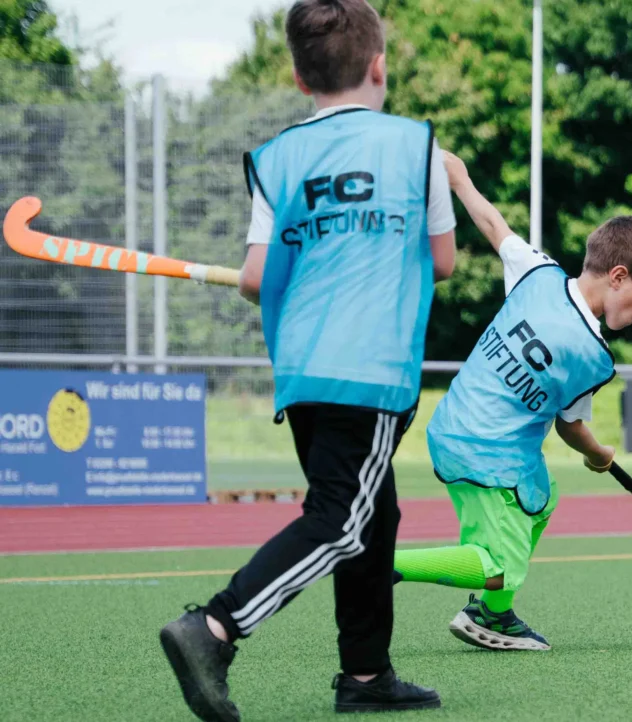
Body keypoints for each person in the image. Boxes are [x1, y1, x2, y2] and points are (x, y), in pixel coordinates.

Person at [158, 1, 455, 718]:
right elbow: (443, 262)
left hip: (303, 369)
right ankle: (215, 626)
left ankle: (365, 677)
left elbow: (258, 277)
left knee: (373, 513)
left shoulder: (277, 157)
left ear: (298, 78)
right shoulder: (416, 148)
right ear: (379, 64)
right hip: (372, 367)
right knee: (341, 520)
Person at [393, 152, 632, 651]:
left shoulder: (538, 273)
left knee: (541, 498)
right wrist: (599, 455)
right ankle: (380, 563)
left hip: (463, 432)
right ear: (618, 276)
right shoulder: (595, 358)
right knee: (496, 565)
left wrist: (459, 177)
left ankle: (490, 616)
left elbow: (491, 222)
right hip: (487, 450)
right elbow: (571, 428)